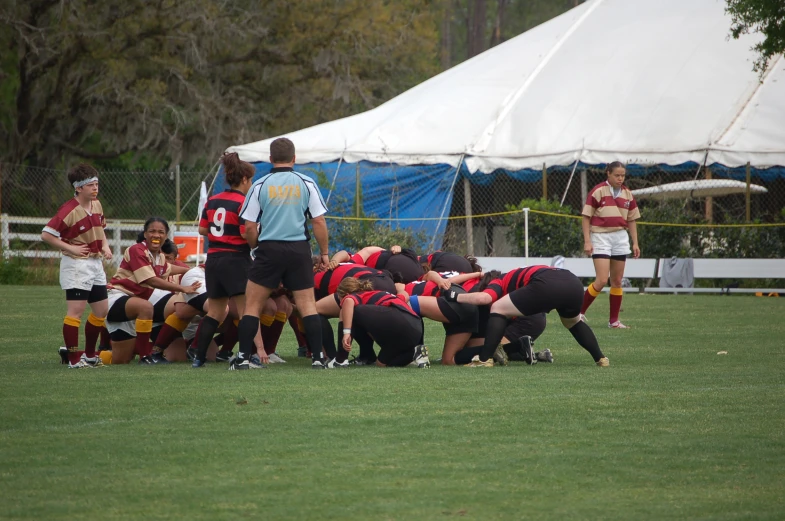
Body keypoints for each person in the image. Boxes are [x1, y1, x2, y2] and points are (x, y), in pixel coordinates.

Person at [233, 137, 330, 370]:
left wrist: (255, 246)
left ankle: (244, 359)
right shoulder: (306, 182)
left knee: (253, 306)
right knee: (307, 305)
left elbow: (249, 227)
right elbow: (318, 220)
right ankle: (317, 357)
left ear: (270, 159)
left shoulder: (259, 185)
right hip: (298, 249)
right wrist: (325, 253)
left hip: (269, 249)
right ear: (294, 159)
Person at [444, 266, 609, 367]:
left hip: (546, 283)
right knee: (573, 323)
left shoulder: (499, 280)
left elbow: (485, 298)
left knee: (497, 307)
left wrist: (455, 296)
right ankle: (601, 358)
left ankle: (484, 360)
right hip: (573, 283)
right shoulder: (517, 276)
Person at [41, 163, 113, 368]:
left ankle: (89, 355)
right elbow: (46, 234)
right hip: (76, 265)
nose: (95, 188)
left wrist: (106, 246)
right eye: (90, 185)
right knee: (76, 312)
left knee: (101, 310)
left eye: (96, 183)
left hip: (95, 263)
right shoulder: (68, 210)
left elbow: (101, 230)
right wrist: (71, 249)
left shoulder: (96, 204)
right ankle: (73, 359)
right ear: (78, 188)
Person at [192, 152, 256, 367]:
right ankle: (245, 357)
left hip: (214, 259)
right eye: (251, 180)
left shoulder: (213, 199)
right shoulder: (244, 202)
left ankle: (199, 357)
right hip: (236, 259)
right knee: (247, 309)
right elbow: (245, 234)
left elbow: (202, 229)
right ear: (245, 179)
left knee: (215, 311)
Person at [105, 217, 199, 364]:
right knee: (120, 359)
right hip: (117, 297)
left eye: (161, 232)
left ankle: (155, 348)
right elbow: (150, 280)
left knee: (177, 356)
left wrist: (195, 270)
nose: (156, 235)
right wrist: (182, 288)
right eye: (152, 231)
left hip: (142, 300)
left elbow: (169, 269)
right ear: (145, 234)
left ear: (166, 236)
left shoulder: (159, 256)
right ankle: (145, 356)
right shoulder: (137, 250)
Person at [580, 161, 641, 328]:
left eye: (623, 175)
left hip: (620, 237)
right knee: (601, 280)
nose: (620, 178)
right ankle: (579, 312)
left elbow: (632, 220)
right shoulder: (598, 191)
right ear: (608, 173)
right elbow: (586, 217)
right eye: (617, 175)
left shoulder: (628, 194)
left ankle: (614, 321)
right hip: (600, 236)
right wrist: (587, 240)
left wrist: (635, 243)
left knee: (617, 281)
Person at [335, 278, 429, 368]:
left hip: (399, 323)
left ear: (346, 293)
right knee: (381, 364)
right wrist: (400, 289)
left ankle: (340, 361)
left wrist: (347, 333)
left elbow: (348, 300)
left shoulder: (358, 296)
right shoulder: (379, 295)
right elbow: (405, 296)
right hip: (415, 327)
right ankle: (415, 353)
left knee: (350, 311)